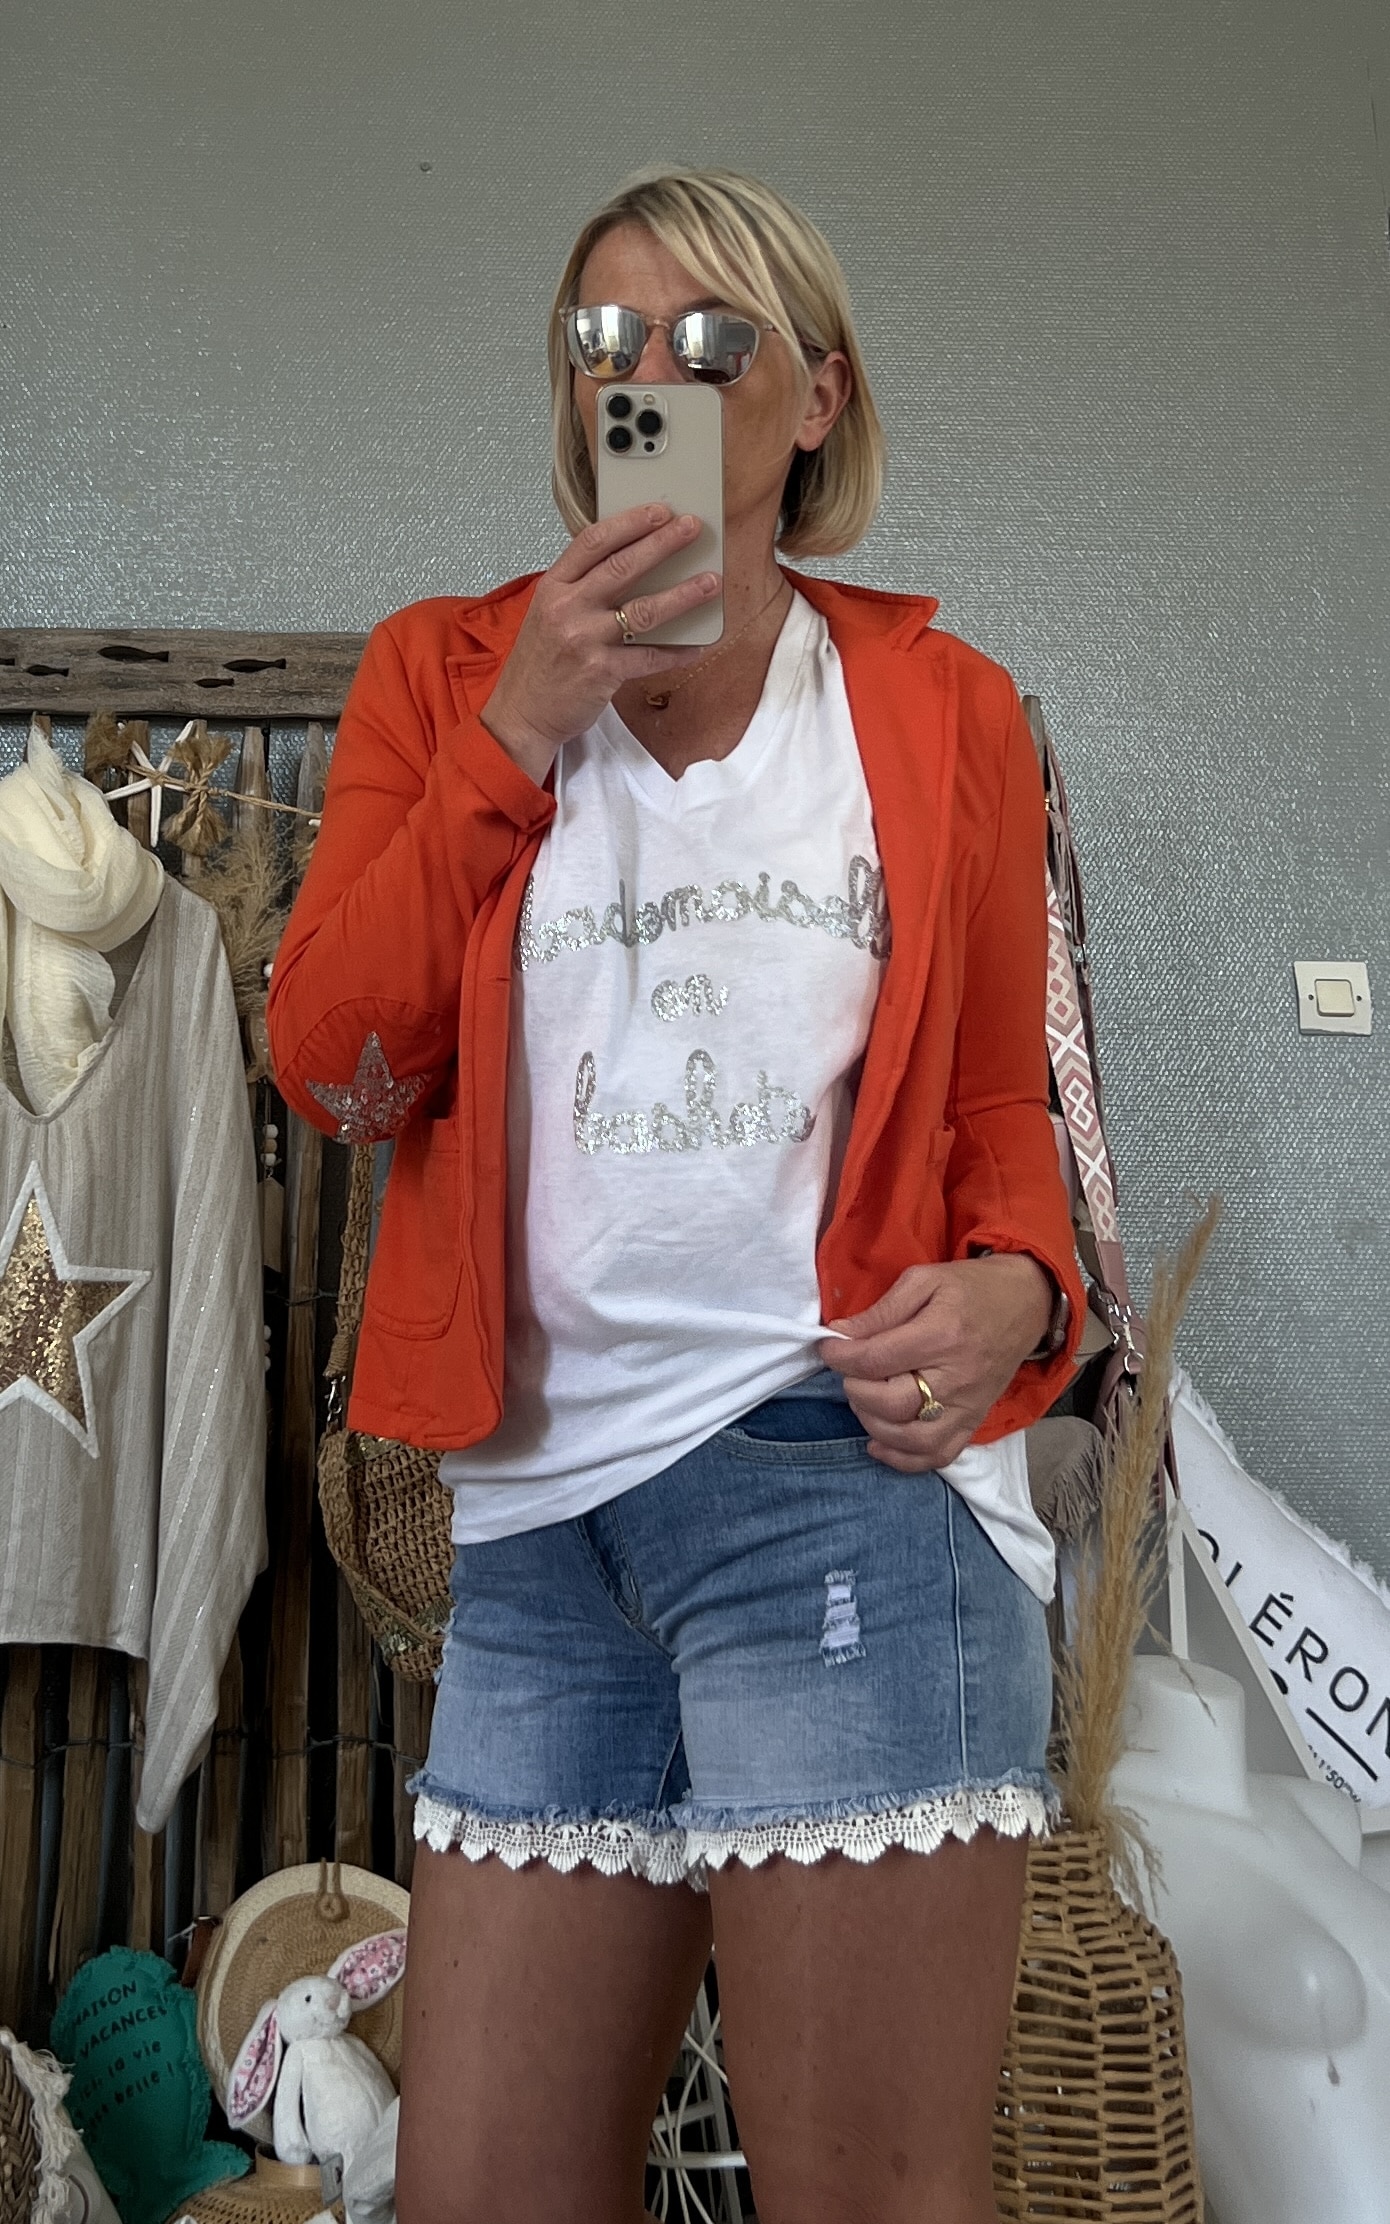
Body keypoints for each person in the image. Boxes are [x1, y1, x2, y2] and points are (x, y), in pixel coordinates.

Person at [268, 166, 1084, 2224]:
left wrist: (1019, 1289)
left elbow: (1004, 1109)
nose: (646, 375)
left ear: (816, 398)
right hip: (539, 1534)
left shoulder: (944, 711)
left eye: (711, 343)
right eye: (604, 342)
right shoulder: (442, 672)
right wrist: (518, 731)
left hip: (840, 1487)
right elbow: (338, 1066)